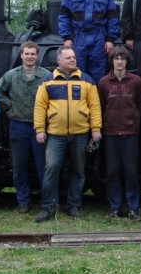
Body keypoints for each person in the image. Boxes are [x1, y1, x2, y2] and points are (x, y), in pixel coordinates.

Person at [33, 46, 102, 222]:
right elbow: (40, 107)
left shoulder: (87, 81)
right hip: (55, 135)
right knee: (52, 169)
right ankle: (48, 207)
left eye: (73, 57)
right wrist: (40, 129)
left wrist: (95, 129)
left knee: (79, 171)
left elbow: (95, 106)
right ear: (59, 60)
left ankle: (73, 205)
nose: (72, 60)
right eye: (68, 58)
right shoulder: (47, 81)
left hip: (80, 134)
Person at [0, 40, 47, 214]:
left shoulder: (47, 75)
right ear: (21, 55)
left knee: (43, 167)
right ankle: (23, 201)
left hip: (39, 127)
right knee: (19, 167)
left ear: (37, 56)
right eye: (27, 53)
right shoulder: (11, 75)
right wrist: (9, 107)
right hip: (18, 126)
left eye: (33, 54)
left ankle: (47, 203)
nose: (30, 57)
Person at [98, 45, 141, 220]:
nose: (119, 62)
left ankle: (133, 207)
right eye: (116, 58)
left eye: (122, 58)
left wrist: (132, 121)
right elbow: (101, 106)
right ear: (111, 61)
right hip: (110, 133)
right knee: (112, 171)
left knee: (131, 171)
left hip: (130, 132)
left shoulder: (136, 81)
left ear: (127, 61)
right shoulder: (103, 82)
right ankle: (115, 206)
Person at [58, 0, 121, 82]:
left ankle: (96, 101)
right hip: (78, 36)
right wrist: (67, 37)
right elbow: (64, 15)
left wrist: (110, 39)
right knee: (76, 71)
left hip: (98, 36)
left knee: (98, 73)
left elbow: (112, 16)